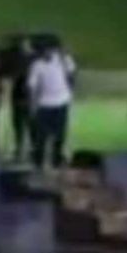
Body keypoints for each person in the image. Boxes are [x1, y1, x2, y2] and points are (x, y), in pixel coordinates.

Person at [27, 35, 76, 170]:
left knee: (59, 135)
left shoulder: (64, 60)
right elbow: (33, 87)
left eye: (46, 50)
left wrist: (69, 94)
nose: (44, 54)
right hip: (44, 105)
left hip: (61, 103)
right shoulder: (37, 65)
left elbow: (71, 76)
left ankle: (57, 160)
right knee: (41, 136)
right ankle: (38, 160)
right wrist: (33, 106)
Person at [0, 33, 37, 163]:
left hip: (22, 98)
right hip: (24, 98)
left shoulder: (22, 60)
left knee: (22, 124)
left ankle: (23, 150)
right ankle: (28, 149)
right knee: (26, 124)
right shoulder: (30, 59)